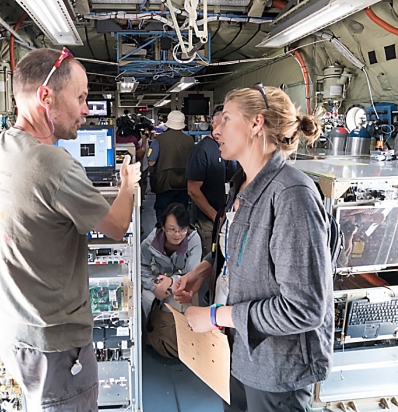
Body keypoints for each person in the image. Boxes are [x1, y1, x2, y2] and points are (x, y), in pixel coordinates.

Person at [0, 48, 141, 412]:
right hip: (52, 342)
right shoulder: (53, 164)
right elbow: (116, 227)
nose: (87, 109)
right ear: (45, 97)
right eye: (81, 98)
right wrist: (128, 183)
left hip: (11, 328)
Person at [173, 84, 333, 412]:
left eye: (226, 119)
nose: (215, 129)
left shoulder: (291, 195)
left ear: (256, 124)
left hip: (275, 370)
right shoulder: (242, 185)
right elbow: (239, 250)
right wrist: (204, 269)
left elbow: (304, 308)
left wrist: (216, 316)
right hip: (238, 353)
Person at [141, 203, 201, 357]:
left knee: (180, 303)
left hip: (182, 284)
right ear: (163, 227)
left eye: (182, 230)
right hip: (157, 282)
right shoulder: (150, 242)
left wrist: (172, 281)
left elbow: (193, 273)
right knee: (145, 299)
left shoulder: (194, 240)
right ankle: (151, 334)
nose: (177, 235)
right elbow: (141, 266)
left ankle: (182, 343)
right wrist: (154, 286)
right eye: (172, 229)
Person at [186, 104, 227, 257]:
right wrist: (215, 216)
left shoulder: (227, 148)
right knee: (210, 262)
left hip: (226, 217)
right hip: (208, 221)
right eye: (220, 123)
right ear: (212, 123)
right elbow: (193, 190)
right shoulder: (202, 150)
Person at [148, 110, 195, 221]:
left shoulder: (159, 140)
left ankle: (162, 234)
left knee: (163, 211)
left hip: (164, 182)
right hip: (184, 181)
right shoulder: (190, 140)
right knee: (181, 212)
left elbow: (151, 162)